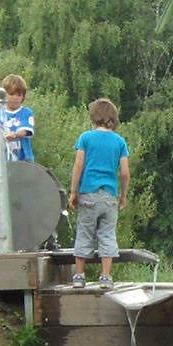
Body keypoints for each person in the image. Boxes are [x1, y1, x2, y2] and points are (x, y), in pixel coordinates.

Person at [68, 97, 130, 288]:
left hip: (88, 193)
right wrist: (123, 195)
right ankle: (105, 277)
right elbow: (125, 173)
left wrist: (73, 192)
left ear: (94, 117)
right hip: (109, 196)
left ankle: (79, 276)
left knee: (84, 233)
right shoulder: (120, 142)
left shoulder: (85, 138)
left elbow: (79, 166)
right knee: (107, 235)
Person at [0, 74, 35, 163]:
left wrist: (14, 135)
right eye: (11, 94)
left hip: (24, 161)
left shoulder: (26, 113)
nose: (15, 98)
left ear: (23, 97)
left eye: (19, 95)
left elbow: (25, 131)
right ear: (4, 95)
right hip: (2, 161)